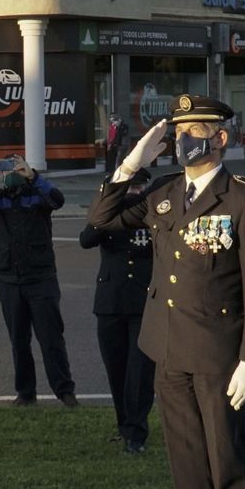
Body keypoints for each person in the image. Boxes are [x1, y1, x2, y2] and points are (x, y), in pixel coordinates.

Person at [88, 95, 245, 489]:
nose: (183, 139)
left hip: (218, 354)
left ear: (221, 138)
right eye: (177, 132)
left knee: (227, 462)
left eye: (194, 130)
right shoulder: (164, 192)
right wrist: (131, 163)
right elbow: (102, 218)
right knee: (188, 463)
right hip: (169, 349)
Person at [0, 153, 77, 408]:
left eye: (16, 168)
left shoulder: (38, 195)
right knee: (19, 341)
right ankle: (26, 393)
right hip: (9, 280)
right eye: (7, 170)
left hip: (41, 279)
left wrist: (34, 177)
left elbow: (58, 200)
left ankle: (65, 391)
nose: (11, 174)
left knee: (51, 339)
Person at [78, 168, 160, 452]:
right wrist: (109, 201)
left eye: (139, 188)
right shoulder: (106, 215)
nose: (135, 194)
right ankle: (124, 425)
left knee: (140, 373)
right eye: (130, 188)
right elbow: (87, 239)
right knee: (117, 369)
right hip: (111, 302)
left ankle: (136, 434)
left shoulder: (153, 213)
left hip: (144, 303)